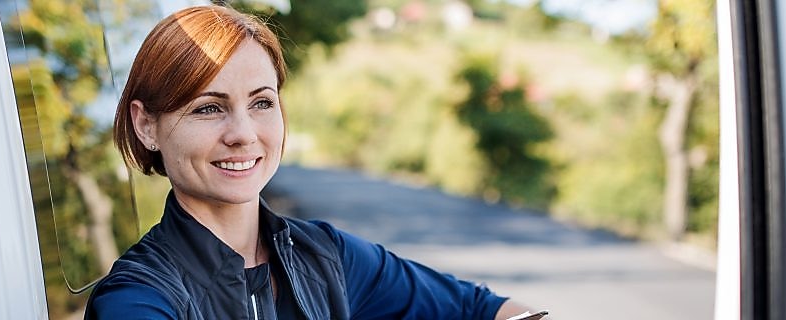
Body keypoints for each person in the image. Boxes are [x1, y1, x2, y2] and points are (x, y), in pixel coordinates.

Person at [87, 5, 545, 319]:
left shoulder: (325, 255)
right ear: (146, 125)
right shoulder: (136, 300)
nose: (243, 133)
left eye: (262, 103)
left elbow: (479, 309)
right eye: (209, 107)